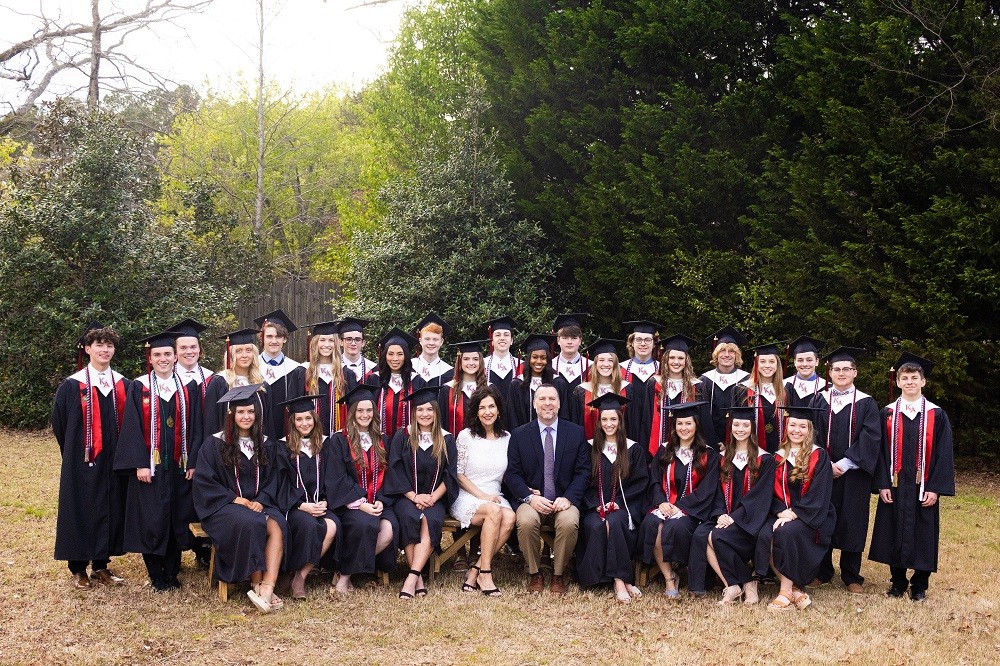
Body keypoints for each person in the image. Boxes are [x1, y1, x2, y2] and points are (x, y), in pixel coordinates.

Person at [114, 330, 202, 591]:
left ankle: (172, 572)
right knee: (151, 519)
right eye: (157, 355)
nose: (163, 359)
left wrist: (193, 461)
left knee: (176, 516)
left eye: (167, 354)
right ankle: (155, 574)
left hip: (179, 466)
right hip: (150, 468)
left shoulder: (188, 388)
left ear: (175, 357)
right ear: (149, 359)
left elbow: (196, 427)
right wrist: (140, 462)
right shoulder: (138, 386)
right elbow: (131, 428)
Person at [193, 384, 288, 612]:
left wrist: (262, 499)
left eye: (251, 412)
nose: (246, 416)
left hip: (258, 504)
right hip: (223, 507)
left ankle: (267, 587)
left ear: (258, 415)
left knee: (278, 525)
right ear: (231, 415)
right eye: (241, 412)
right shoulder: (215, 443)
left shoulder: (265, 444)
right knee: (253, 522)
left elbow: (274, 479)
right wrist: (235, 499)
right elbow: (205, 481)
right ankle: (254, 582)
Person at [869, 352, 955, 602]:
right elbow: (881, 452)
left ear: (923, 381)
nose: (909, 382)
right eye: (904, 378)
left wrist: (935, 487)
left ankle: (919, 584)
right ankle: (897, 582)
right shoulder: (887, 413)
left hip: (922, 485)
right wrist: (883, 482)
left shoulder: (936, 414)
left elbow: (943, 453)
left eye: (914, 377)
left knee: (924, 532)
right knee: (892, 529)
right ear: (897, 382)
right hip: (895, 484)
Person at [52, 322, 130, 589]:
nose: (105, 350)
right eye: (99, 345)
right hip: (82, 460)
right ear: (87, 349)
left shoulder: (122, 384)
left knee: (110, 505)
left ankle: (101, 565)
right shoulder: (71, 386)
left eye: (109, 345)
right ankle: (78, 568)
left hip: (113, 460)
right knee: (80, 507)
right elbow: (59, 423)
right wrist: (75, 453)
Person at [504, 383, 590, 595]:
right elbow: (512, 474)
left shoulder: (576, 433)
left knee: (569, 522)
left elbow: (583, 472)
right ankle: (535, 573)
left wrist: (568, 498)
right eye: (542, 399)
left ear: (559, 404)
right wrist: (527, 497)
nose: (547, 403)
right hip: (532, 499)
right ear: (534, 404)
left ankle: (558, 574)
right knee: (525, 521)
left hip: (563, 500)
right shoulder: (519, 434)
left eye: (552, 399)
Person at [813, 346, 881, 593]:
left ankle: (852, 575)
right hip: (823, 472)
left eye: (846, 369)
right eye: (836, 369)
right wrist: (825, 464)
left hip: (854, 474)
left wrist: (843, 464)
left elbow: (871, 438)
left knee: (853, 520)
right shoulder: (819, 400)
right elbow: (811, 435)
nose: (841, 373)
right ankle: (823, 571)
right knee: (823, 518)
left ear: (855, 372)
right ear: (829, 373)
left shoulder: (866, 402)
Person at [638, 401, 719, 598]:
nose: (684, 428)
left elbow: (707, 490)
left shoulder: (708, 454)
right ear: (674, 426)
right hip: (664, 505)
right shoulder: (664, 450)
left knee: (677, 526)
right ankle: (669, 577)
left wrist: (680, 507)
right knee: (652, 523)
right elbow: (654, 481)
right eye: (679, 424)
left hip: (691, 510)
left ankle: (681, 570)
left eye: (688, 423)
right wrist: (661, 502)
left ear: (696, 426)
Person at [384, 386, 458, 599]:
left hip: (435, 498)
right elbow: (395, 470)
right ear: (413, 412)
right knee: (409, 516)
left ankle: (411, 577)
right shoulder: (403, 436)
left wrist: (432, 498)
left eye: (429, 410)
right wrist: (414, 496)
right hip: (407, 496)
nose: (425, 414)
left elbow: (450, 475)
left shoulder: (447, 439)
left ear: (436, 412)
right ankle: (419, 579)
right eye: (420, 410)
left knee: (429, 519)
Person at [325, 385, 399, 595]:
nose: (365, 415)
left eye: (369, 410)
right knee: (364, 524)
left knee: (389, 530)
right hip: (351, 504)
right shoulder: (340, 440)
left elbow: (392, 476)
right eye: (360, 410)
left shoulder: (383, 439)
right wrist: (361, 504)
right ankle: (345, 577)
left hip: (379, 502)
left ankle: (345, 569)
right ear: (352, 413)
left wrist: (382, 500)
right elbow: (337, 477)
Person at [575, 394, 649, 602]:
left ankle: (618, 579)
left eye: (613, 419)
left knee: (615, 521)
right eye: (605, 419)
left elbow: (640, 483)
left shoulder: (633, 449)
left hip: (625, 506)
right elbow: (582, 481)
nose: (609, 424)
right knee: (599, 524)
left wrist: (618, 503)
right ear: (598, 422)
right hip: (593, 507)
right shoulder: (588, 448)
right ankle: (620, 579)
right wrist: (597, 504)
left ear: (620, 420)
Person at [698, 406, 775, 604]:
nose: (740, 429)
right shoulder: (722, 457)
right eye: (736, 424)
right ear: (730, 426)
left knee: (715, 536)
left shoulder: (764, 459)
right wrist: (720, 514)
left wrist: (734, 517)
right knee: (704, 534)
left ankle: (742, 583)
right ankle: (739, 584)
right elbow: (714, 490)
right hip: (725, 516)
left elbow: (760, 496)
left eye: (745, 425)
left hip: (751, 520)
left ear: (753, 428)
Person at [761, 405, 835, 611]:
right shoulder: (775, 457)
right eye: (792, 425)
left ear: (809, 429)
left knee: (785, 533)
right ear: (786, 428)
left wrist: (794, 513)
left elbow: (820, 493)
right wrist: (779, 510)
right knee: (764, 532)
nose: (796, 430)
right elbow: (766, 492)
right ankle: (795, 591)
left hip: (812, 515)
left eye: (802, 426)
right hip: (781, 513)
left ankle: (784, 591)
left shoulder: (819, 456)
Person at [451, 385, 516, 597]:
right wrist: (483, 496)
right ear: (476, 412)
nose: (487, 411)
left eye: (491, 406)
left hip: (495, 494)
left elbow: (512, 473)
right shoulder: (466, 436)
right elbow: (459, 475)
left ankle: (475, 570)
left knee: (510, 517)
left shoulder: (507, 438)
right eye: (482, 407)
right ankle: (486, 573)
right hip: (468, 494)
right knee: (494, 512)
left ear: (498, 410)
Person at [273, 395, 340, 600]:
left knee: (332, 525)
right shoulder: (283, 447)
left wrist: (326, 501)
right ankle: (294, 574)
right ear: (293, 422)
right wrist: (302, 505)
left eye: (308, 418)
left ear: (315, 419)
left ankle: (300, 575)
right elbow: (280, 483)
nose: (304, 423)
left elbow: (334, 476)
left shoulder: (326, 445)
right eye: (299, 419)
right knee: (308, 525)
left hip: (320, 504)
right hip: (295, 507)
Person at [168, 317, 221, 566]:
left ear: (200, 350)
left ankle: (202, 551)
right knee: (178, 500)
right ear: (175, 353)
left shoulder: (213, 380)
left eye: (193, 347)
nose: (189, 352)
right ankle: (176, 550)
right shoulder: (165, 381)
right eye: (183, 348)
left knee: (201, 498)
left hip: (205, 450)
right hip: (175, 451)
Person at [647, 334, 716, 457]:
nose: (676, 362)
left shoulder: (697, 386)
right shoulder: (654, 384)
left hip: (690, 451)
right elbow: (646, 419)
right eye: (672, 358)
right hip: (658, 449)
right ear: (666, 360)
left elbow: (704, 421)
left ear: (686, 361)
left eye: (680, 358)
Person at [203, 327, 266, 436]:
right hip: (226, 447)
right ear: (231, 355)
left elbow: (267, 422)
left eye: (248, 350)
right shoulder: (220, 383)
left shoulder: (260, 384)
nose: (245, 355)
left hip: (256, 446)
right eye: (238, 351)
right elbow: (211, 422)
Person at [366, 327, 425, 440]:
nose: (395, 358)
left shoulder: (416, 381)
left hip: (409, 442)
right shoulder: (375, 379)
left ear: (406, 356)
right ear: (385, 355)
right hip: (379, 441)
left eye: (400, 354)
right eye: (390, 354)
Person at [255, 309, 305, 441]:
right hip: (258, 433)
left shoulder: (296, 370)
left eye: (278, 337)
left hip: (287, 435)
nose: (274, 341)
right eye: (269, 336)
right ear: (262, 338)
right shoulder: (253, 368)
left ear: (285, 339)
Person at [303, 320, 358, 436]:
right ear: (314, 343)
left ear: (336, 343)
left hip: (339, 437)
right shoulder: (303, 372)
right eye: (322, 340)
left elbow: (353, 408)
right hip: (311, 436)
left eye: (331, 340)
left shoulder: (346, 374)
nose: (326, 344)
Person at [699, 325, 751, 448]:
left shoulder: (747, 381)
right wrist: (713, 442)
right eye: (722, 350)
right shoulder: (704, 381)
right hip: (710, 444)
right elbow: (702, 416)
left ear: (736, 355)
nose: (727, 354)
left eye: (731, 351)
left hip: (739, 444)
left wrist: (733, 444)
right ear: (716, 354)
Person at [567, 338, 629, 439]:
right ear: (595, 364)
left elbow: (631, 424)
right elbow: (576, 424)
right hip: (588, 448)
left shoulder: (626, 389)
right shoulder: (581, 391)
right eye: (601, 360)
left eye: (610, 360)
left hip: (620, 448)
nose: (606, 364)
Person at [735, 342, 787, 454]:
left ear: (777, 364)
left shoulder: (786, 390)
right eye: (762, 361)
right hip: (751, 452)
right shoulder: (742, 390)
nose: (767, 365)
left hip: (780, 452)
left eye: (772, 361)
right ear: (756, 364)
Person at [621, 320, 662, 450]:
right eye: (638, 339)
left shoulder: (662, 370)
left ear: (654, 343)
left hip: (654, 427)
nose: (643, 343)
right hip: (627, 426)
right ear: (632, 343)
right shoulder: (620, 370)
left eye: (647, 340)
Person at [507, 334, 558, 429]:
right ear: (528, 359)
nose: (539, 361)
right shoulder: (517, 384)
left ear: (548, 360)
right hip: (523, 439)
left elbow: (564, 415)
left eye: (543, 358)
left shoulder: (557, 383)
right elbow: (512, 418)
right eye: (534, 357)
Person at [439, 340, 488, 436]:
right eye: (466, 359)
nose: (471, 363)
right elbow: (441, 423)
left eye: (475, 359)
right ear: (459, 361)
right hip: (454, 446)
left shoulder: (489, 388)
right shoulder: (447, 390)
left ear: (480, 361)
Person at [551, 313, 590, 414]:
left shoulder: (591, 367)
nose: (569, 342)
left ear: (580, 340)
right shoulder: (549, 367)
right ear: (558, 340)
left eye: (574, 338)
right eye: (565, 338)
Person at [483, 316, 521, 403]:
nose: (502, 338)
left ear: (511, 340)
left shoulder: (521, 366)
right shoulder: (482, 365)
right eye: (498, 335)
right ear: (491, 341)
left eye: (506, 335)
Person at [411, 312, 454, 387]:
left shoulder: (449, 372)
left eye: (435, 339)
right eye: (427, 339)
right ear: (420, 340)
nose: (431, 343)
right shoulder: (410, 366)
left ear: (441, 342)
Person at [783, 335, 827, 407]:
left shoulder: (827, 387)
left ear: (817, 361)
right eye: (800, 360)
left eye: (809, 360)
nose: (804, 364)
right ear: (795, 362)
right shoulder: (783, 385)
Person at [338, 317, 376, 381]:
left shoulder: (373, 369)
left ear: (363, 343)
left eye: (357, 339)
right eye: (349, 339)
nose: (353, 343)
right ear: (341, 342)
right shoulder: (333, 367)